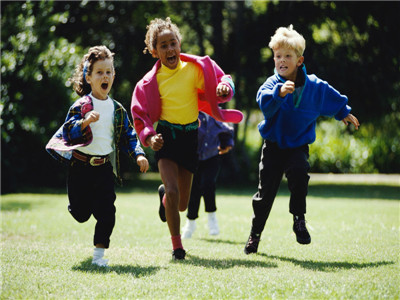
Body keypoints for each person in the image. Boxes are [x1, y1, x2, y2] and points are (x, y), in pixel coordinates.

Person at [131, 17, 243, 260]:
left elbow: (222, 80)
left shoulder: (196, 68)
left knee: (181, 204)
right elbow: (139, 115)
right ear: (154, 51)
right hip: (166, 138)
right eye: (163, 45)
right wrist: (150, 138)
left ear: (180, 44)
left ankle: (164, 200)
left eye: (173, 43)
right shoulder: (149, 82)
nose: (170, 49)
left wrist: (224, 88)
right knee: (173, 192)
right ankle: (177, 246)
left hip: (190, 138)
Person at [244, 25, 360, 254]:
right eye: (278, 56)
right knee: (265, 195)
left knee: (299, 173)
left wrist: (343, 111)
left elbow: (330, 96)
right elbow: (263, 102)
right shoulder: (271, 84)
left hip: (298, 145)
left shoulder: (314, 86)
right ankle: (254, 235)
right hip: (274, 146)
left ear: (299, 60)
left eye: (288, 56)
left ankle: (299, 219)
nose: (282, 60)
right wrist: (278, 92)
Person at [46, 45, 149, 267]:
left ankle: (99, 256)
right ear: (89, 77)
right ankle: (82, 204)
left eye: (109, 71)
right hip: (80, 167)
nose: (105, 76)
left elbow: (129, 135)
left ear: (113, 75)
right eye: (99, 72)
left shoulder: (117, 109)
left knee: (107, 212)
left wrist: (139, 155)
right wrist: (85, 122)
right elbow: (68, 130)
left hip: (103, 168)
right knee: (81, 214)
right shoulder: (82, 105)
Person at [181, 111, 234, 239]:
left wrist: (227, 143)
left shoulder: (217, 114)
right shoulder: (193, 112)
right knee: (194, 190)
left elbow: (226, 130)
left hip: (212, 156)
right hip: (194, 157)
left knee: (208, 184)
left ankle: (212, 218)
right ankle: (190, 223)